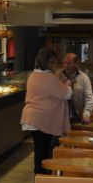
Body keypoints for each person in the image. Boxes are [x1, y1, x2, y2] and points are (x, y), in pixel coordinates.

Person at [21, 47, 72, 175]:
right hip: (42, 120)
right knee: (42, 151)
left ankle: (39, 176)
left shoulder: (33, 75)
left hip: (32, 117)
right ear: (48, 62)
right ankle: (41, 178)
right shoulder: (49, 77)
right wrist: (68, 84)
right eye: (54, 62)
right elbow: (66, 94)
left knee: (39, 148)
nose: (56, 65)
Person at [60, 52, 93, 125]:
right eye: (64, 63)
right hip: (60, 119)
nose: (66, 66)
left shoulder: (84, 78)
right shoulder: (57, 76)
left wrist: (86, 114)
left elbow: (89, 98)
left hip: (78, 117)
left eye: (69, 63)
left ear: (76, 64)